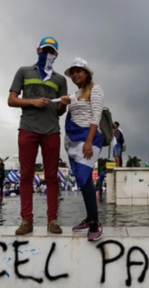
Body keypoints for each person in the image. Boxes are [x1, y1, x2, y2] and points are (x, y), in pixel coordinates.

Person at [8, 36, 68, 235]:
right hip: (27, 129)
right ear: (37, 50)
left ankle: (52, 221)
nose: (47, 54)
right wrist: (32, 102)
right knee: (25, 176)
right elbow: (11, 100)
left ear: (56, 55)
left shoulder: (60, 79)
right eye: (44, 50)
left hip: (51, 131)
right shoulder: (24, 71)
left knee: (52, 177)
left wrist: (64, 104)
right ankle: (27, 220)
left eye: (51, 51)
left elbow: (59, 112)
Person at [60, 57, 104, 241]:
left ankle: (95, 223)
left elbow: (96, 116)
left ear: (86, 73)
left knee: (84, 177)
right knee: (81, 180)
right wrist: (62, 102)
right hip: (73, 142)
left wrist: (88, 141)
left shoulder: (96, 89)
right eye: (73, 72)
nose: (75, 74)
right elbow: (58, 110)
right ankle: (89, 218)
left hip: (89, 140)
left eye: (79, 71)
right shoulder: (73, 95)